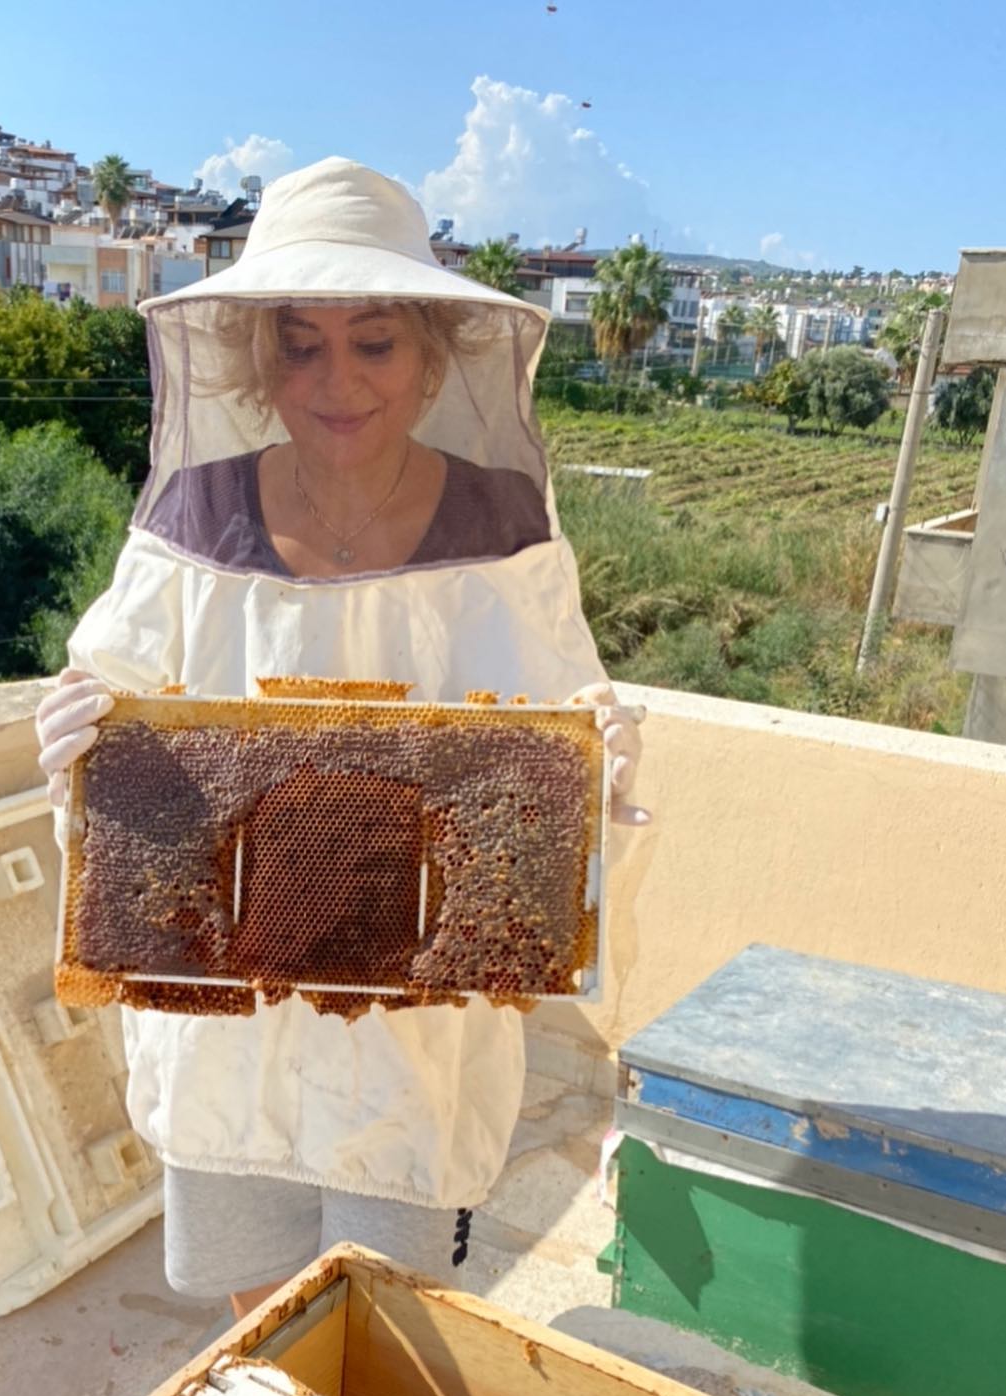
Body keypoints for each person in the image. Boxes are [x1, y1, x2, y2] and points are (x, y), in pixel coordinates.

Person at [35, 158, 648, 1319]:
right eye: (301, 343)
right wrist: (75, 743)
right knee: (262, 1335)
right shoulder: (191, 517)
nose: (337, 377)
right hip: (226, 1036)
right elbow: (118, 701)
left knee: (394, 1338)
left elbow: (560, 749)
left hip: (416, 1045)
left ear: (427, 357)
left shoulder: (505, 529)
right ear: (261, 365)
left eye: (373, 342)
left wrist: (600, 776)